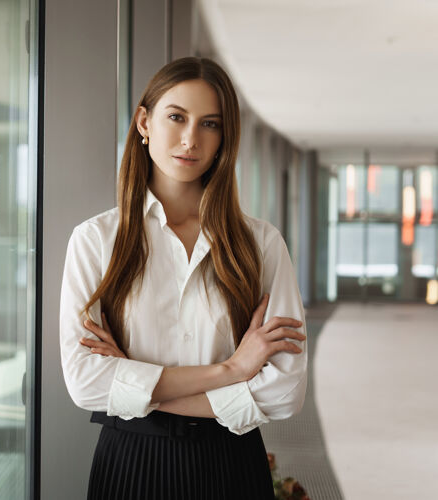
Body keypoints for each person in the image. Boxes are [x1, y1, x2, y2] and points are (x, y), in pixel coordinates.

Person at [59, 57, 308, 499]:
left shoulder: (262, 244)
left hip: (231, 465)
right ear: (144, 122)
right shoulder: (96, 240)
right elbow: (85, 382)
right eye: (177, 117)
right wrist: (231, 370)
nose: (191, 139)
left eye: (210, 124)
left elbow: (285, 390)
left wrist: (136, 387)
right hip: (130, 464)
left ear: (224, 138)